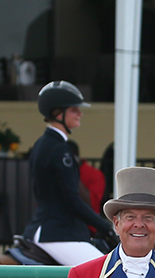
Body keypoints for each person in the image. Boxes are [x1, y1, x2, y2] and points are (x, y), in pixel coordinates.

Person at [24, 81, 115, 265]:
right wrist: (108, 228)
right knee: (109, 272)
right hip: (57, 232)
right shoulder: (59, 150)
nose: (80, 114)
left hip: (52, 229)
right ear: (58, 113)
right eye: (74, 110)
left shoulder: (43, 143)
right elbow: (72, 201)